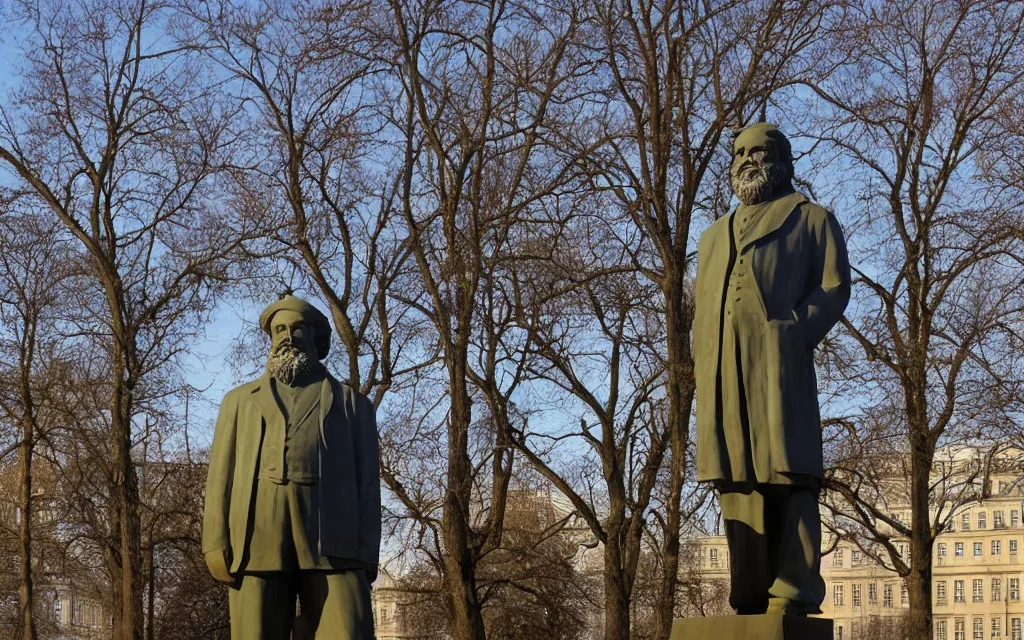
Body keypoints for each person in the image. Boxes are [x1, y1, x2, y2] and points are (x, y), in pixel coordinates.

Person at [693, 123, 851, 616]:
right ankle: (749, 592)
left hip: (779, 370)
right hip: (722, 371)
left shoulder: (811, 219)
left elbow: (834, 287)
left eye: (758, 151)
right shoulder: (712, 236)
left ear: (782, 159)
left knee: (788, 472)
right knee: (737, 476)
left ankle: (794, 588)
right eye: (739, 152)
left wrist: (795, 330)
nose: (746, 160)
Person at [202, 294, 381, 638]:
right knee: (255, 631)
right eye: (280, 329)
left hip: (336, 541)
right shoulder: (238, 402)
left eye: (298, 328)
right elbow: (219, 477)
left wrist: (367, 550)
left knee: (347, 628)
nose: (288, 336)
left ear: (314, 336)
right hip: (256, 537)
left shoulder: (353, 406)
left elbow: (368, 485)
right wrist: (215, 541)